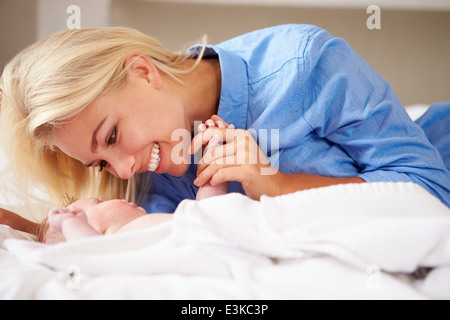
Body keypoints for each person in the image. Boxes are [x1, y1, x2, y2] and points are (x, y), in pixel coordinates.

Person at [0, 24, 449, 229]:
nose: (122, 169)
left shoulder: (304, 66)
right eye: (100, 163)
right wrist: (35, 229)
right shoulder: (154, 174)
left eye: (112, 136)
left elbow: (431, 190)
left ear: (143, 72)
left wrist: (275, 185)